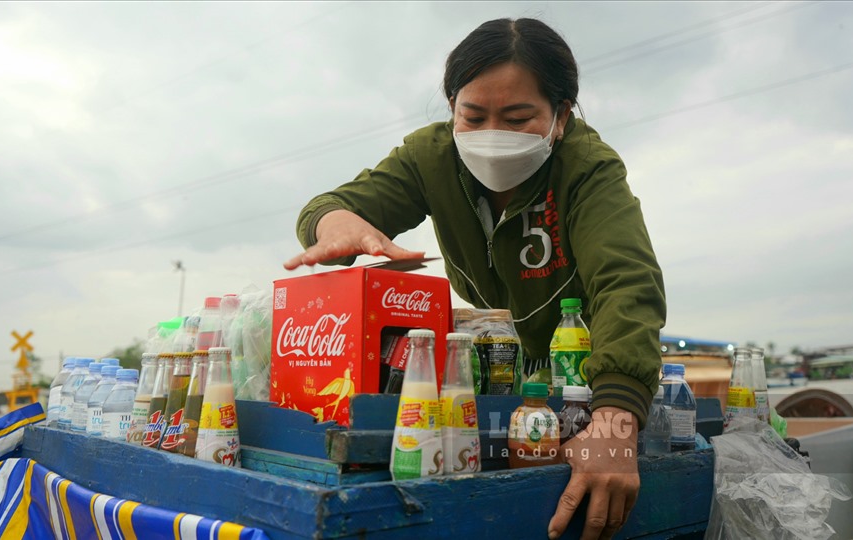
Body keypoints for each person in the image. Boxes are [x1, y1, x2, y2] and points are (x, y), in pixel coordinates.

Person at [284, 17, 666, 540]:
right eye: (473, 116)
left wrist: (615, 423)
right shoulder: (430, 157)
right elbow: (333, 206)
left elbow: (628, 283)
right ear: (452, 111)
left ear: (560, 117)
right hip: (497, 378)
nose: (493, 137)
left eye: (517, 117)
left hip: (585, 384)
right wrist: (335, 224)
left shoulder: (587, 168)